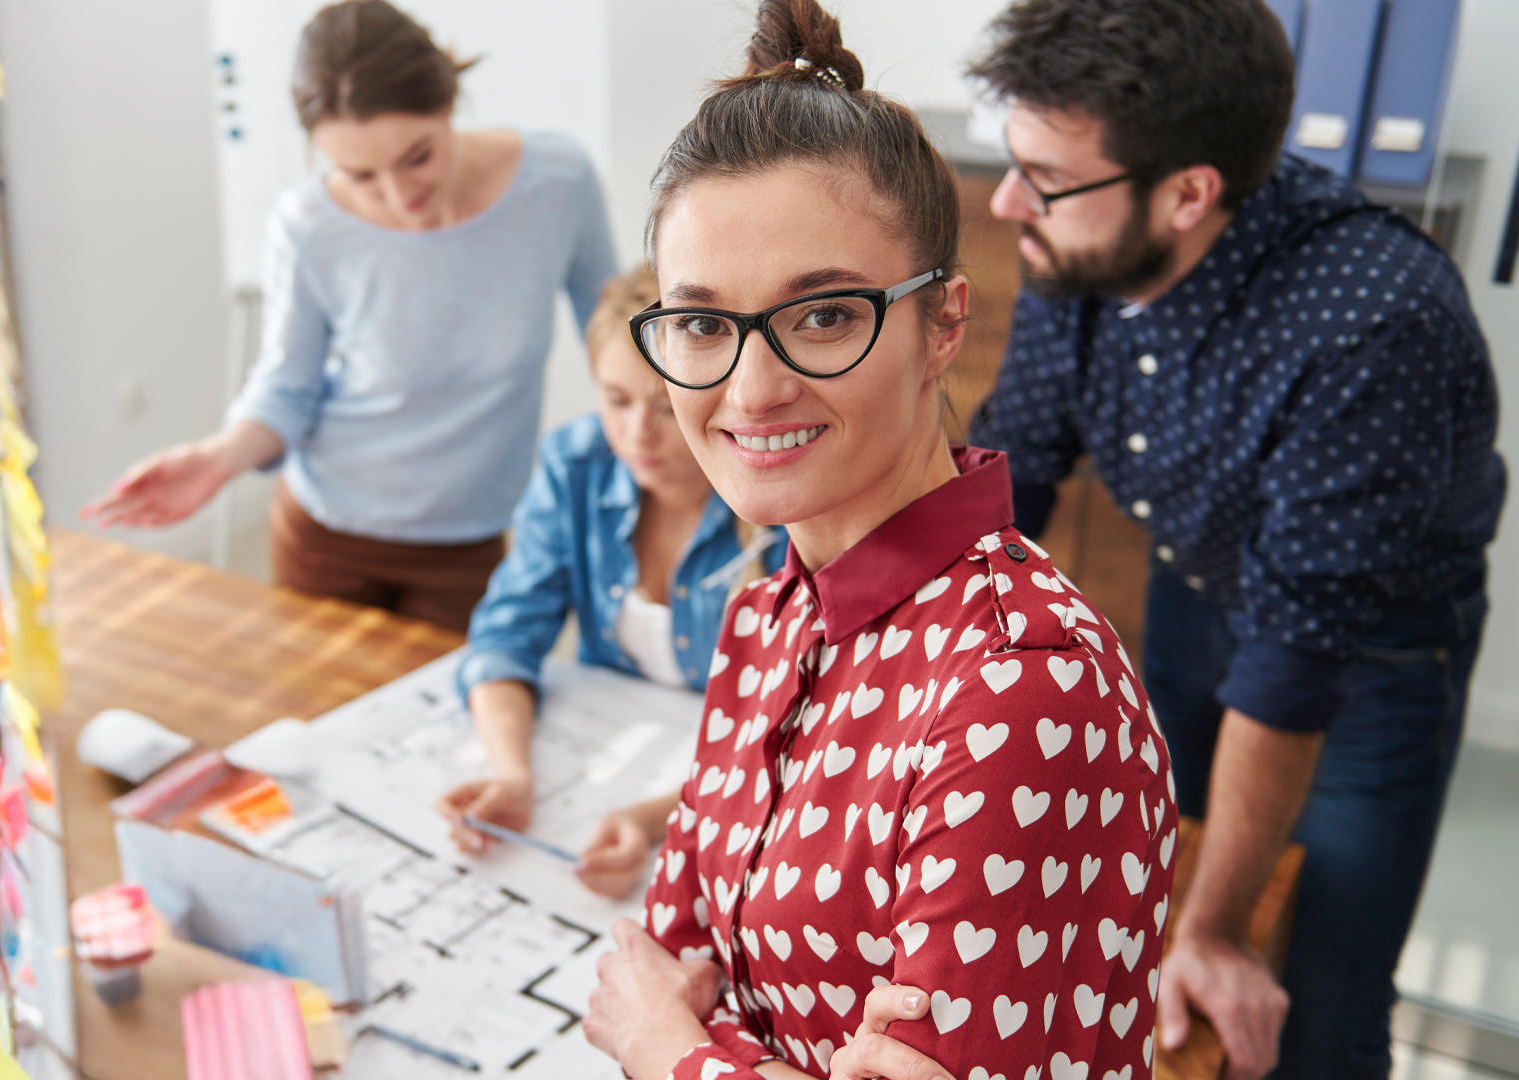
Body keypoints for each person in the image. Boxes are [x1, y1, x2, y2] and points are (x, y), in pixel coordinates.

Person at [580, 4, 1177, 1078]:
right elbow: (678, 938)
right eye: (703, 324)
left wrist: (672, 1048)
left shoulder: (1022, 687)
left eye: (823, 316)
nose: (751, 391)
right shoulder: (770, 608)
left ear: (941, 324)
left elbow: (658, 1006)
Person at [964, 2, 1505, 1077]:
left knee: (1313, 994)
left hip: (1373, 661)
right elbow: (1010, 480)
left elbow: (1298, 663)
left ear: (1187, 193)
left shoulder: (1373, 324)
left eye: (1045, 177)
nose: (1006, 201)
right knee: (1146, 903)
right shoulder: (1078, 240)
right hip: (1196, 594)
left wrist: (1213, 935)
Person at [81, 0, 616, 632]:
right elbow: (287, 388)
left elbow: (613, 335)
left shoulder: (558, 182)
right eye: (360, 175)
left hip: (467, 539)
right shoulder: (308, 227)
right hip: (325, 533)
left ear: (448, 102)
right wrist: (219, 457)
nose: (398, 195)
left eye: (417, 156)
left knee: (451, 722)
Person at [434, 265, 785, 899]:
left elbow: (797, 730)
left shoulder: (781, 505)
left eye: (665, 405)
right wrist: (513, 775)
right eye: (615, 400)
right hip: (606, 765)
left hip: (734, 806)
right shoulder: (576, 464)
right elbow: (505, 634)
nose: (635, 435)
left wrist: (654, 821)